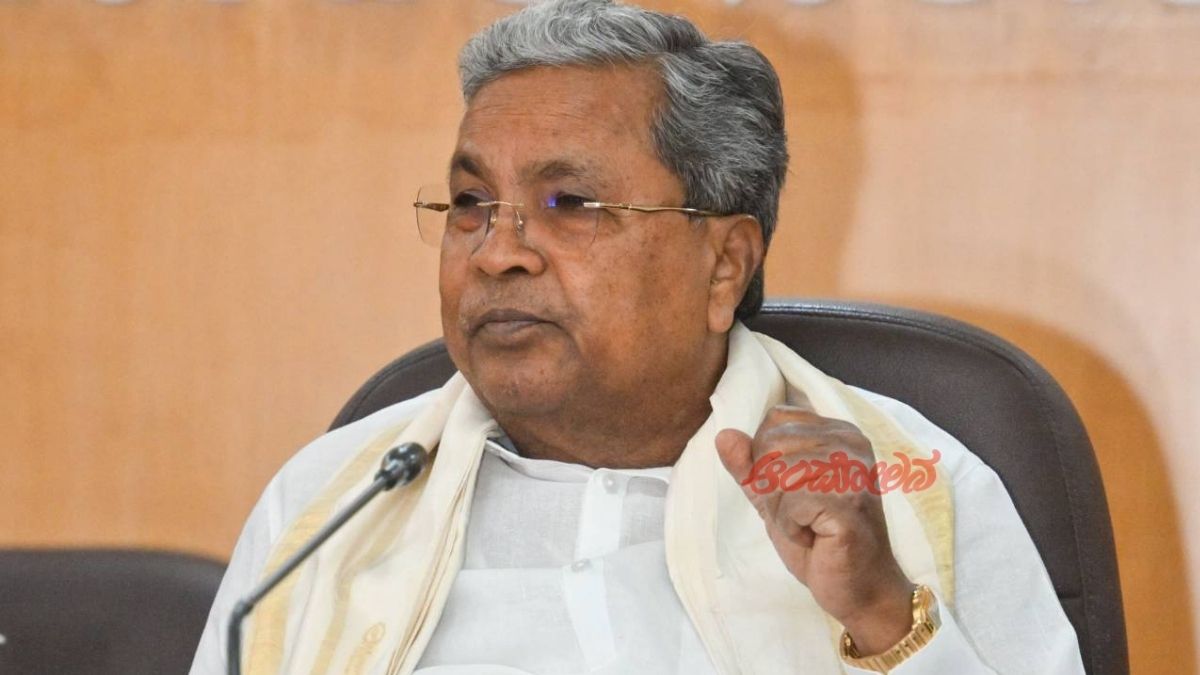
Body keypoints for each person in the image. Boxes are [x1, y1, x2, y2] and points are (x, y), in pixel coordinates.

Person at [191, 1, 1085, 673]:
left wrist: (886, 616)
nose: (497, 251)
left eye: (569, 203)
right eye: (470, 202)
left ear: (724, 265)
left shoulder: (917, 486)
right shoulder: (327, 509)